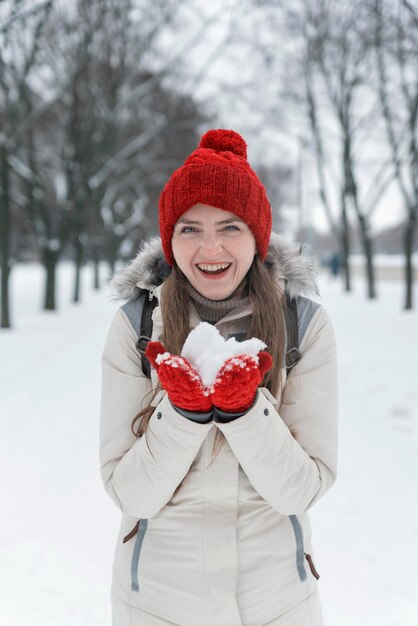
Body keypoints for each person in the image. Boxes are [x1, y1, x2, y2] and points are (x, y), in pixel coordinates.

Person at [100, 129, 338, 626]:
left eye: (230, 226)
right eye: (190, 228)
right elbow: (131, 494)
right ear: (170, 237)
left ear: (257, 234)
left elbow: (302, 489)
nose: (211, 247)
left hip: (277, 606)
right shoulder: (136, 327)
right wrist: (183, 415)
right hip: (157, 605)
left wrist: (244, 412)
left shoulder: (304, 326)